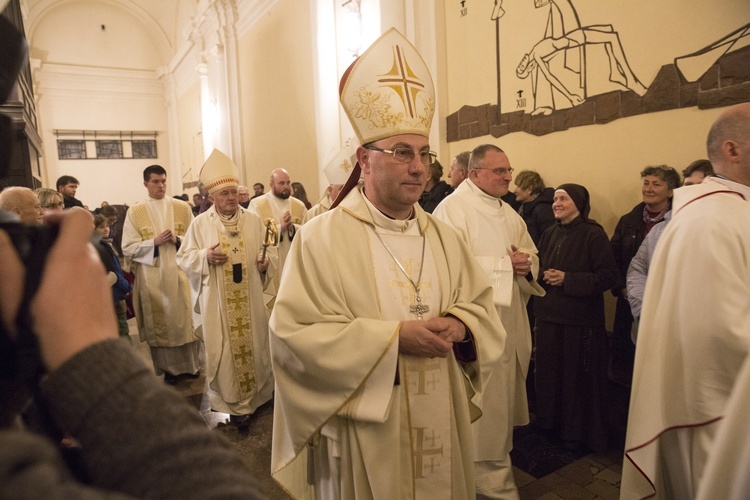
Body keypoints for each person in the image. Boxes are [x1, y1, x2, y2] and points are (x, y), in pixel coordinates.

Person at [270, 28, 505, 499]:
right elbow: (292, 337)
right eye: (401, 153)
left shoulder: (443, 234)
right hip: (364, 424)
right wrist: (392, 340)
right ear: (365, 159)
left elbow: (479, 304)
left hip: (441, 400)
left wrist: (462, 326)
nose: (419, 168)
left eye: (424, 155)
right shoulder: (321, 237)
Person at [0, 209, 264, 499]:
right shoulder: (145, 212)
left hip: (185, 283)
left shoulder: (188, 209)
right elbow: (217, 487)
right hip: (157, 278)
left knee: (185, 331)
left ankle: (188, 369)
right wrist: (91, 352)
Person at [621, 103, 750, 499]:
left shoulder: (730, 211)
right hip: (713, 415)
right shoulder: (712, 220)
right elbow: (717, 332)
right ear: (732, 150)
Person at [433, 143, 544, 499]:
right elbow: (444, 268)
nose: (509, 177)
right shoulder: (452, 210)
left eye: (510, 171)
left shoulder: (509, 213)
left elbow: (529, 252)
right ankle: (484, 480)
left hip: (510, 321)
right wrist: (501, 266)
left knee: (501, 403)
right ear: (475, 173)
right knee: (482, 404)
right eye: (500, 171)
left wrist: (527, 265)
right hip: (475, 327)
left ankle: (494, 471)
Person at [177, 150, 278, 428]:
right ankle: (234, 405)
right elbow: (184, 257)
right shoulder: (200, 224)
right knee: (225, 349)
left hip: (251, 298)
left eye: (234, 192)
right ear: (212, 198)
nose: (231, 198)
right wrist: (204, 258)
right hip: (218, 303)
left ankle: (258, 397)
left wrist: (265, 262)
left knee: (256, 345)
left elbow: (271, 253)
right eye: (225, 194)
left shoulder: (254, 221)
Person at [534, 184, 617, 452]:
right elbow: (539, 266)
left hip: (579, 321)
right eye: (555, 199)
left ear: (579, 204)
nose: (557, 203)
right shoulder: (548, 233)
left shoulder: (593, 234)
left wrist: (568, 279)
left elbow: (607, 277)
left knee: (575, 381)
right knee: (549, 375)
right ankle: (550, 425)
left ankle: (575, 433)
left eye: (563, 199)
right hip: (549, 316)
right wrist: (539, 271)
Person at [122, 165, 201, 384]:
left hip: (181, 273)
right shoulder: (135, 211)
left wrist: (177, 240)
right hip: (152, 275)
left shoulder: (181, 207)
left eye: (164, 181)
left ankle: (192, 367)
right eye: (156, 181)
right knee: (163, 321)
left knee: (186, 319)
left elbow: (196, 240)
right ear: (146, 183)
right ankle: (170, 370)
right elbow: (127, 247)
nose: (161, 185)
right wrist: (153, 242)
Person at [609, 165, 680, 385]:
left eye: (656, 184)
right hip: (629, 300)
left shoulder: (679, 221)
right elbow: (613, 258)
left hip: (665, 306)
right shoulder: (628, 220)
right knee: (626, 364)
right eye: (646, 183)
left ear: (670, 191)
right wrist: (622, 288)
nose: (648, 189)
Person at [248, 168, 307, 275]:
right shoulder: (257, 204)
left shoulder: (299, 205)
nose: (286, 186)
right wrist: (280, 228)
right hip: (272, 264)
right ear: (271, 185)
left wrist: (292, 228)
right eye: (281, 183)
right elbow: (253, 236)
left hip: (295, 260)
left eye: (288, 183)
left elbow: (308, 232)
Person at [93, 213, 132, 341]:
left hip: (112, 294)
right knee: (122, 333)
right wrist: (127, 287)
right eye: (101, 227)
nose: (106, 229)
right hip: (113, 295)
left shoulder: (103, 244)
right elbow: (112, 273)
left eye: (107, 226)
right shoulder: (100, 247)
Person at [304, 146, 352, 222]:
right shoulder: (314, 214)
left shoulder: (357, 209)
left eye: (350, 187)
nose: (347, 192)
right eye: (341, 188)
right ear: (330, 190)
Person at [514, 170, 555, 246]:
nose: (515, 190)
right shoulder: (525, 207)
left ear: (529, 189)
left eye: (518, 186)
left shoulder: (542, 209)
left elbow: (549, 239)